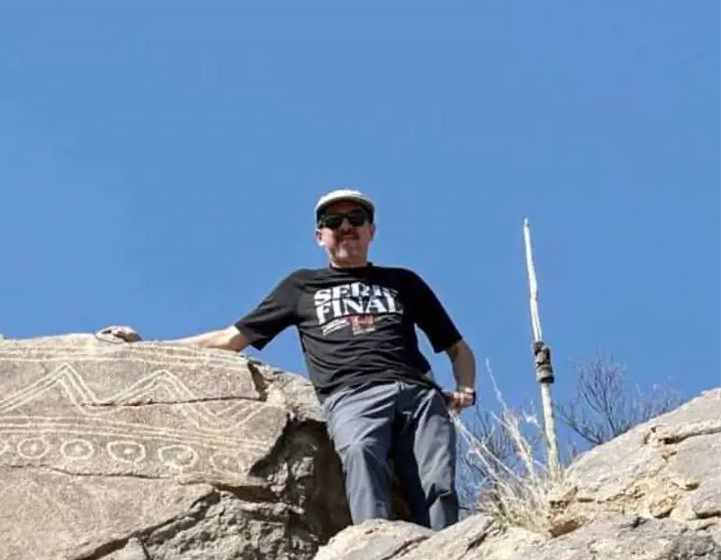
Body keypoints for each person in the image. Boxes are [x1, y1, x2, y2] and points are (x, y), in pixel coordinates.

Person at [98, 188, 476, 530]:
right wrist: (148, 347)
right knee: (361, 455)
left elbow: (457, 348)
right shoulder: (301, 286)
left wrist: (466, 389)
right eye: (333, 222)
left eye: (356, 220)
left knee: (438, 482)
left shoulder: (403, 282)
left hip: (418, 394)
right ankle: (376, 547)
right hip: (352, 394)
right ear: (319, 236)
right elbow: (232, 338)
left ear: (371, 231)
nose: (346, 227)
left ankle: (447, 554)